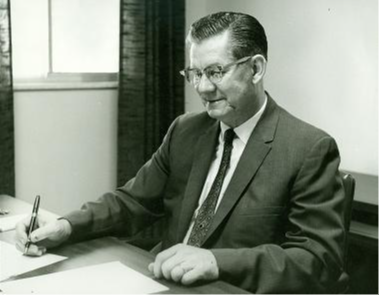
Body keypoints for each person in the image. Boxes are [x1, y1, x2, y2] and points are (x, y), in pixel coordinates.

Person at [15, 12, 347, 294]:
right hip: (166, 283)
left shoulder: (308, 148)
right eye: (195, 73)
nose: (203, 87)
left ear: (256, 68)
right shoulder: (185, 130)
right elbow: (132, 202)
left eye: (215, 72)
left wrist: (217, 261)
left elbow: (317, 260)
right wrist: (66, 226)